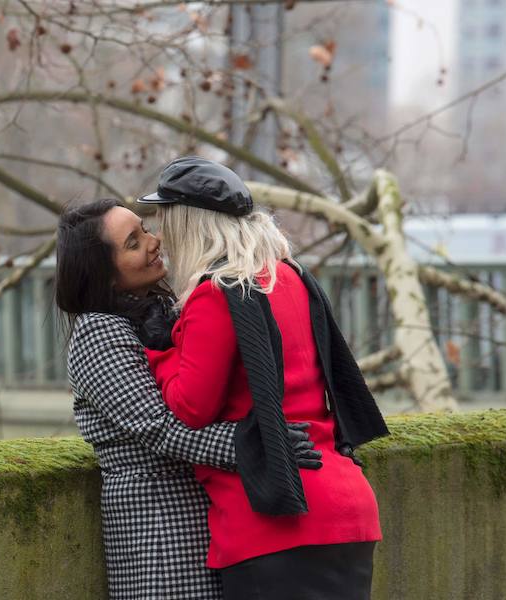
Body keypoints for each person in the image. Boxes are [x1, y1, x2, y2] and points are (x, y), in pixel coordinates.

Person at [138, 157, 390, 600]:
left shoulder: (216, 294)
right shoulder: (292, 277)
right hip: (347, 505)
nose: (161, 237)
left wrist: (159, 351)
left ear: (188, 226)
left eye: (165, 221)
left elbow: (189, 407)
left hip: (274, 521)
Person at [55, 198, 323, 599]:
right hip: (161, 536)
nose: (154, 240)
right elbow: (159, 427)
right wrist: (260, 444)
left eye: (144, 229)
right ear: (103, 275)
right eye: (133, 242)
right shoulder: (98, 333)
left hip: (210, 522)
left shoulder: (164, 312)